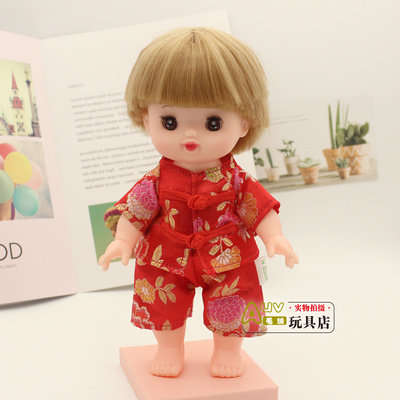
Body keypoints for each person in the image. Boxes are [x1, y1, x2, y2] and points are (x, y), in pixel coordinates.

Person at [99, 27, 298, 379]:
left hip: (226, 256)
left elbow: (260, 208)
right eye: (170, 121)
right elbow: (137, 209)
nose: (190, 135)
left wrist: (274, 237)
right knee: (162, 301)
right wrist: (123, 241)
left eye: (212, 122)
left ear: (244, 122)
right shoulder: (155, 181)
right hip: (165, 256)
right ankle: (169, 347)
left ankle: (227, 350)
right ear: (146, 119)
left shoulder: (237, 181)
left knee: (234, 299)